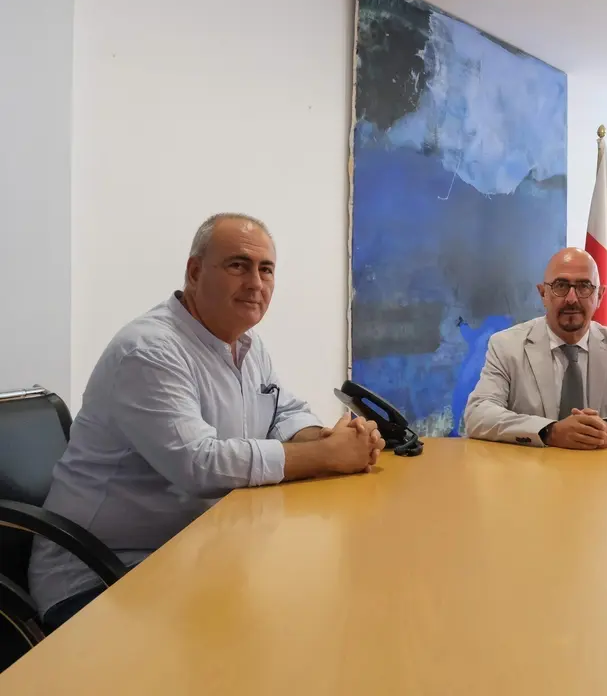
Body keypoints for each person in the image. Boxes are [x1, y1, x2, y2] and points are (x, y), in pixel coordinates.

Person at [29, 213, 384, 629]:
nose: (255, 282)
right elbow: (199, 464)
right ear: (195, 272)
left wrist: (332, 437)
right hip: (103, 576)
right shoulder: (149, 351)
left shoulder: (246, 344)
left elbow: (283, 412)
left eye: (266, 269)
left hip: (193, 555)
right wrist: (326, 455)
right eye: (238, 265)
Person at [465, 247, 607, 448]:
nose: (572, 298)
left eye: (584, 286)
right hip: (529, 475)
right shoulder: (506, 346)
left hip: (605, 474)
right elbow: (478, 414)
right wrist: (549, 432)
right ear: (543, 293)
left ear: (600, 296)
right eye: (561, 286)